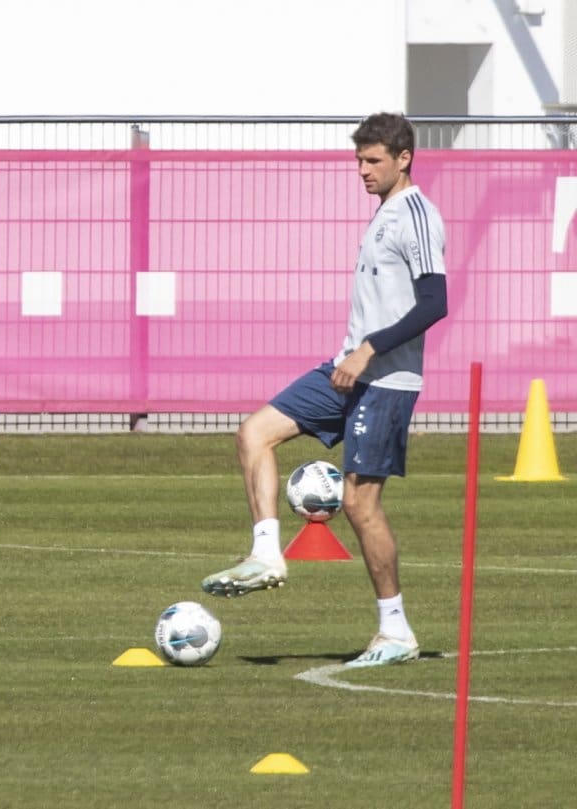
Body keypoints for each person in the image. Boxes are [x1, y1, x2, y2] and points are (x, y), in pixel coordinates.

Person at [200, 112, 448, 668]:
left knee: (360, 504)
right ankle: (266, 554)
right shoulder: (383, 212)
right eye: (358, 160)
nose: (362, 170)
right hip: (346, 369)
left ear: (404, 158)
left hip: (384, 380)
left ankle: (396, 631)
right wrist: (353, 355)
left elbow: (435, 304)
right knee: (254, 434)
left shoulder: (417, 214)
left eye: (373, 160)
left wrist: (369, 350)